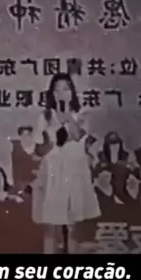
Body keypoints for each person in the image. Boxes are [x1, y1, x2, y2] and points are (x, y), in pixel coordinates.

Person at [32, 73, 101, 253]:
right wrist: (48, 143)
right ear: (52, 93)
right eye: (57, 90)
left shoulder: (82, 114)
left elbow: (78, 136)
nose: (61, 93)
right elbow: (38, 149)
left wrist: (68, 115)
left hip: (74, 172)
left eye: (65, 89)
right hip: (53, 173)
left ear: (72, 92)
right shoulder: (45, 116)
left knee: (72, 227)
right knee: (51, 227)